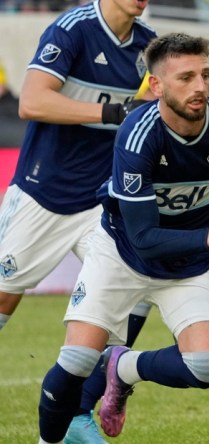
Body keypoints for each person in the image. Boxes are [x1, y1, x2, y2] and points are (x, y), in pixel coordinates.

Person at [35, 32, 209, 444]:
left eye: (205, 74)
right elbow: (146, 238)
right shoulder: (137, 137)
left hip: (187, 266)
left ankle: (123, 367)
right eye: (185, 77)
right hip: (123, 254)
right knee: (76, 360)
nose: (200, 86)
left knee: (208, 366)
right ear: (157, 86)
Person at [0, 1, 156, 442]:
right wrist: (115, 112)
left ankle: (77, 417)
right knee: (4, 302)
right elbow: (32, 102)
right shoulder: (72, 29)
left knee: (132, 293)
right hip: (42, 193)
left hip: (100, 199)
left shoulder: (148, 45)